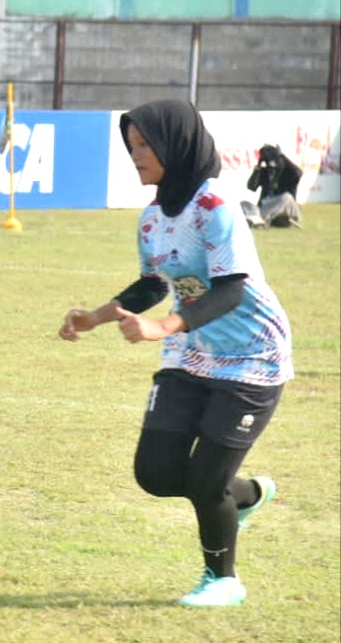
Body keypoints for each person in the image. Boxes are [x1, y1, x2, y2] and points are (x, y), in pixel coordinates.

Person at [59, 99, 292, 608]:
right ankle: (244, 496)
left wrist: (162, 326)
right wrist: (97, 317)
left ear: (176, 145)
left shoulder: (214, 207)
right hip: (192, 352)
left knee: (207, 479)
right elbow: (152, 284)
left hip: (254, 357)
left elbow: (231, 288)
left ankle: (222, 580)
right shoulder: (151, 218)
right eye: (132, 144)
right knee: (157, 472)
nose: (135, 154)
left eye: (146, 145)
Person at [242, 143, 303, 229]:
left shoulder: (288, 172)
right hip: (265, 209)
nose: (272, 169)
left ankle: (259, 220)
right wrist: (258, 167)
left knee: (286, 197)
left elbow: (298, 173)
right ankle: (256, 219)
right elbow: (251, 187)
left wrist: (281, 156)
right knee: (244, 203)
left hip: (287, 210)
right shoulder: (265, 172)